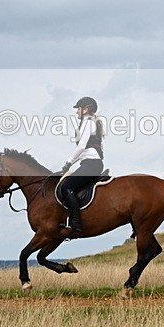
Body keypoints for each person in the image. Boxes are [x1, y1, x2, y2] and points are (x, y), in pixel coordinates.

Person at [59, 96, 104, 236]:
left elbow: (81, 147)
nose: (77, 112)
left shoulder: (87, 122)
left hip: (91, 164)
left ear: (86, 109)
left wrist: (68, 163)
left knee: (66, 187)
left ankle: (75, 223)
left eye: (78, 109)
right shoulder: (94, 122)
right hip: (93, 163)